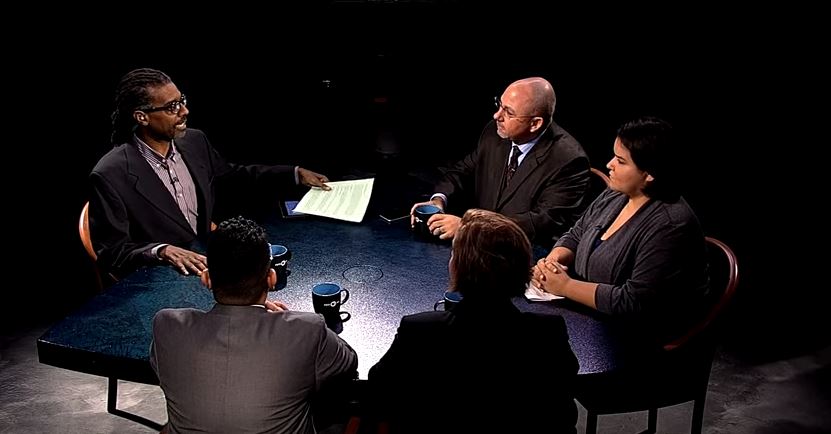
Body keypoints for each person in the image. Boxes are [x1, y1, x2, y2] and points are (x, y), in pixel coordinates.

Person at [89, 68, 331, 278]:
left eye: (181, 100)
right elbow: (113, 253)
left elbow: (233, 177)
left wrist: (294, 173)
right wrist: (162, 250)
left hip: (209, 261)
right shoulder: (111, 174)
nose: (184, 111)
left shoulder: (194, 141)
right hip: (162, 277)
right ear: (142, 117)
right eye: (172, 107)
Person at [369, 209, 578, 433]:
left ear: (456, 268)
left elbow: (379, 393)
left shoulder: (419, 331)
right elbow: (565, 413)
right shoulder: (548, 332)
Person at [150, 216, 358, 434]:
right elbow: (348, 362)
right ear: (271, 278)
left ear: (207, 279)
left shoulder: (165, 325)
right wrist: (291, 325)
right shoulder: (308, 329)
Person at [532, 116, 711, 346]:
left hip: (637, 338)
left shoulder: (670, 225)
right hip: (591, 316)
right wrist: (553, 261)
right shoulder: (616, 194)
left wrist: (565, 286)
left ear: (649, 174)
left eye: (621, 161)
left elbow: (633, 302)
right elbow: (576, 234)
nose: (609, 164)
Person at [410, 77, 591, 247]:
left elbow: (541, 222)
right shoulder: (495, 133)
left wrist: (470, 229)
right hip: (479, 251)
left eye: (509, 112)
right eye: (500, 105)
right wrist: (438, 200)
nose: (497, 116)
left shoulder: (568, 160)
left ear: (535, 124)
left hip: (523, 253)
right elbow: (463, 171)